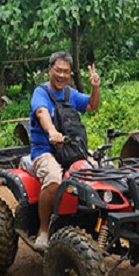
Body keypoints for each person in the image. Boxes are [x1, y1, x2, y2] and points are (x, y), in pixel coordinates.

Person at [29, 51, 100, 250]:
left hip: (71, 148)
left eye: (66, 72)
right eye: (58, 70)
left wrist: (95, 87)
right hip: (45, 150)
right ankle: (43, 231)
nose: (61, 75)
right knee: (53, 180)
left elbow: (92, 105)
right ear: (50, 70)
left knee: (101, 169)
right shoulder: (40, 93)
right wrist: (52, 131)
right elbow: (42, 112)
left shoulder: (70, 93)